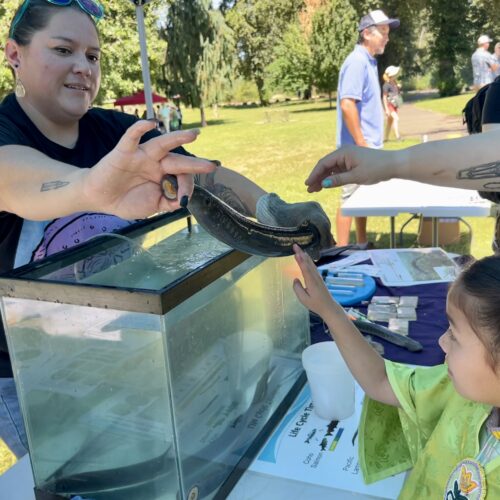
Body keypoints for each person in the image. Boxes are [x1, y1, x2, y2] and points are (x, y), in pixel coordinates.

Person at [0, 0, 334, 378]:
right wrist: (91, 185)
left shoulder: (117, 133)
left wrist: (272, 209)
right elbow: (15, 179)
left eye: (93, 56)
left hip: (121, 343)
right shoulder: (6, 133)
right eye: (63, 50)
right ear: (15, 54)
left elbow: (203, 175)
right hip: (31, 374)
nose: (84, 67)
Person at [292, 244, 500, 498]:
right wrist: (329, 310)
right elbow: (380, 380)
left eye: (454, 336)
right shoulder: (458, 392)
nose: (441, 342)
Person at [335, 9, 399, 248]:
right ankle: (341, 252)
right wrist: (361, 143)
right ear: (366, 33)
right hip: (356, 149)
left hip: (366, 148)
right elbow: (347, 104)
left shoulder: (369, 61)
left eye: (387, 33)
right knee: (350, 199)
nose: (387, 37)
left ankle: (361, 243)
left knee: (361, 197)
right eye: (383, 32)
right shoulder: (356, 62)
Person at [382, 65, 402, 141]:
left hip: (394, 105)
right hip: (389, 105)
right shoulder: (386, 85)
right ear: (391, 75)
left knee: (390, 122)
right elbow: (384, 97)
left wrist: (398, 87)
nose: (396, 76)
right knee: (396, 118)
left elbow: (396, 93)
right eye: (395, 74)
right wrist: (386, 109)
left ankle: (386, 138)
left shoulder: (394, 83)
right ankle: (398, 137)